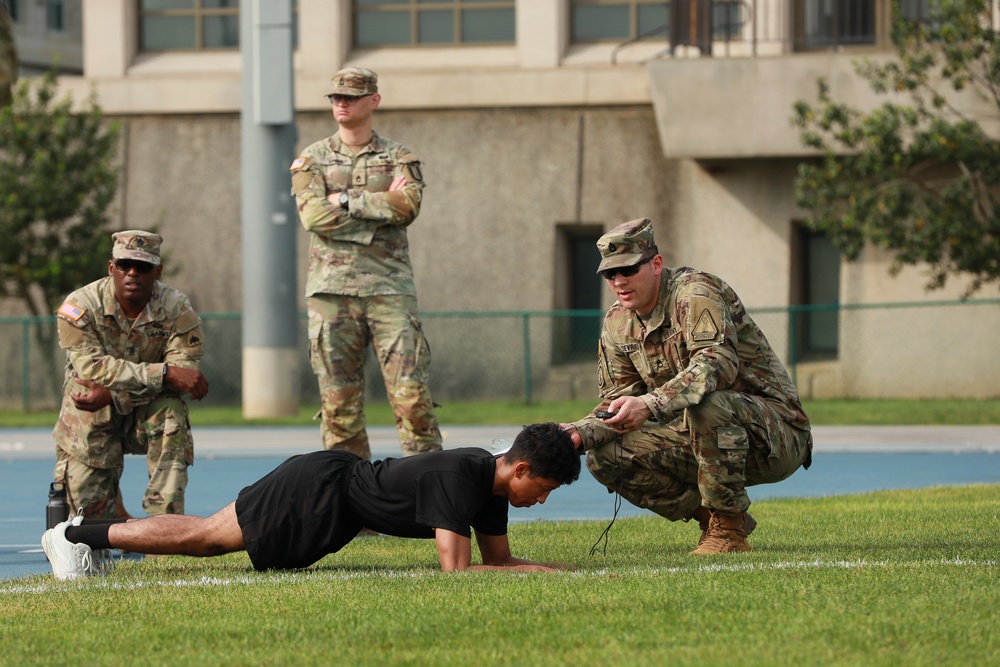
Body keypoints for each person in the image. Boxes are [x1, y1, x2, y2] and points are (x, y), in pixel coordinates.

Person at [41, 422, 582, 580]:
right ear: (523, 469)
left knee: (206, 536)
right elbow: (457, 571)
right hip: (319, 488)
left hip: (337, 502)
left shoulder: (492, 489)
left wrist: (551, 570)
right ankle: (72, 535)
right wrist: (544, 574)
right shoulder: (462, 473)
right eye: (546, 489)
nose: (543, 499)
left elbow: (499, 563)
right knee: (206, 539)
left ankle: (82, 534)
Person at [562, 218, 812, 554]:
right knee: (605, 455)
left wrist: (650, 404)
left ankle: (728, 532)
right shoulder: (617, 322)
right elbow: (619, 401)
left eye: (629, 269)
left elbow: (716, 364)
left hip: (774, 436)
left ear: (656, 263)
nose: (619, 281)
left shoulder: (695, 293)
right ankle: (712, 518)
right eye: (610, 274)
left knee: (706, 403)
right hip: (698, 438)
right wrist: (577, 433)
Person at [290, 66, 441, 461]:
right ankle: (354, 511)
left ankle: (429, 500)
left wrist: (344, 200)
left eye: (351, 97)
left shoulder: (398, 157)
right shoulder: (312, 159)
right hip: (331, 294)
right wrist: (377, 213)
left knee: (412, 400)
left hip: (389, 291)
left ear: (373, 101)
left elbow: (407, 207)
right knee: (339, 408)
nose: (341, 104)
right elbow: (313, 219)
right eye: (336, 98)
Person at [52, 230, 210, 521]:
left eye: (143, 267)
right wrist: (164, 373)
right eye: (124, 265)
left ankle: (164, 532)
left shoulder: (177, 309)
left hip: (144, 412)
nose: (133, 273)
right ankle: (116, 515)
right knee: (87, 530)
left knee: (171, 413)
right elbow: (93, 369)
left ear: (157, 272)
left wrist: (113, 394)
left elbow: (184, 377)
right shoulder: (80, 307)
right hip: (91, 417)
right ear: (112, 268)